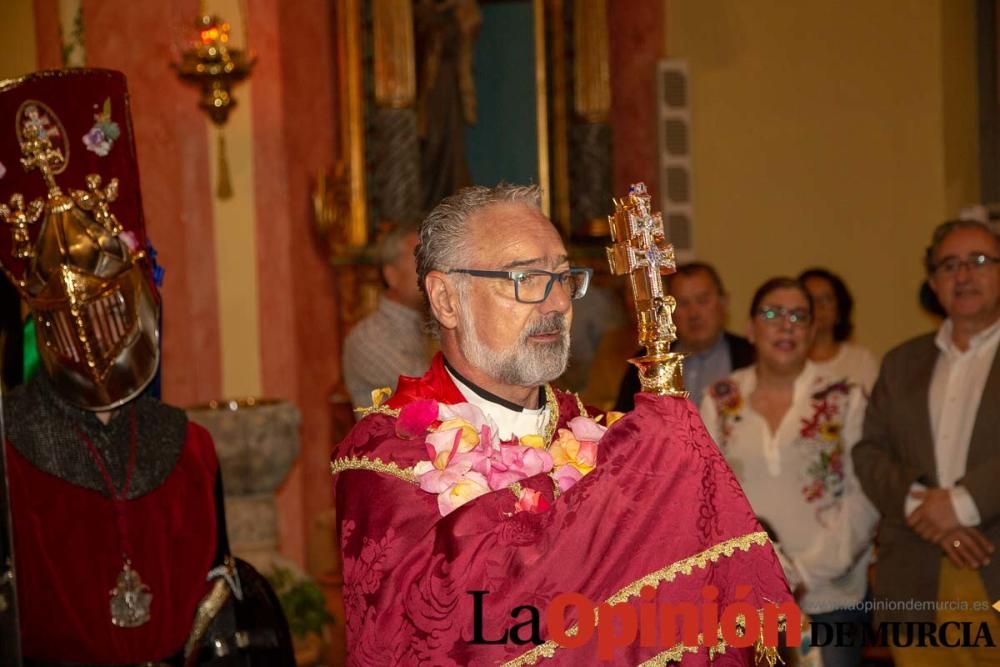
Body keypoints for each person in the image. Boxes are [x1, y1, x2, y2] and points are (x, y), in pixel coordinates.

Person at [332, 184, 792, 665]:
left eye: (562, 277)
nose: (555, 303)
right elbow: (429, 631)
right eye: (525, 279)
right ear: (446, 300)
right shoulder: (385, 456)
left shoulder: (605, 438)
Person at [0, 69, 292, 666]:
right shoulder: (8, 444)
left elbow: (216, 607)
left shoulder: (188, 447)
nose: (92, 334)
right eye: (73, 315)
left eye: (108, 307)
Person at [701, 277, 878, 667]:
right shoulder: (720, 398)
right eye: (772, 314)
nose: (786, 325)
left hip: (830, 594)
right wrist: (767, 572)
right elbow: (707, 497)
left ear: (813, 331)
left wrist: (806, 571)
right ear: (749, 328)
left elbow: (865, 493)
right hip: (745, 594)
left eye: (799, 316)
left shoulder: (845, 398)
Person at [852, 219, 1000, 666]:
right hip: (915, 578)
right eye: (949, 265)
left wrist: (963, 503)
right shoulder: (901, 363)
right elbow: (869, 451)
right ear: (934, 284)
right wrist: (922, 505)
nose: (964, 275)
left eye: (979, 261)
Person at [615, 262, 753, 410]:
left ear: (724, 302)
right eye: (683, 303)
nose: (694, 314)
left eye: (703, 301)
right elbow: (625, 424)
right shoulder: (647, 366)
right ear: (668, 312)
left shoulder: (752, 356)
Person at [342, 222, 430, 411]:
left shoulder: (432, 325)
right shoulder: (368, 337)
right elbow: (429, 391)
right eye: (421, 262)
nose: (432, 272)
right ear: (391, 275)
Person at [798, 268, 879, 394]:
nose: (818, 306)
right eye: (810, 299)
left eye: (826, 299)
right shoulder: (784, 360)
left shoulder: (861, 360)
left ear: (839, 310)